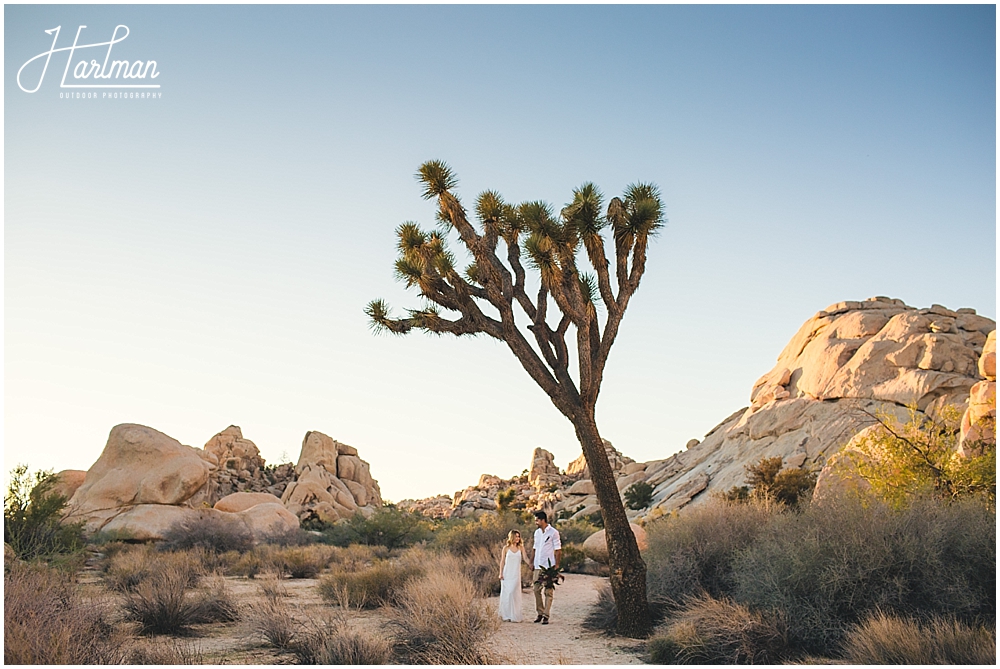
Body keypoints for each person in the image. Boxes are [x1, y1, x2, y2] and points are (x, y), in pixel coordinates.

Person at [530, 510, 561, 624]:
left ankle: (546, 615)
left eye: (537, 520)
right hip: (538, 565)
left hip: (548, 566)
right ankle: (540, 612)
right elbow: (535, 548)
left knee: (548, 591)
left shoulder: (553, 532)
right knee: (536, 589)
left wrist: (556, 566)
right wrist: (531, 561)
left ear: (543, 520)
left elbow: (558, 550)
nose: (536, 522)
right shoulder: (537, 533)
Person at [498, 529, 530, 622]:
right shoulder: (506, 548)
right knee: (507, 594)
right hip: (507, 573)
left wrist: (531, 565)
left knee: (513, 593)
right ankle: (506, 615)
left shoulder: (521, 548)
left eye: (519, 536)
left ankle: (514, 615)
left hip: (516, 574)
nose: (518, 538)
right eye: (516, 536)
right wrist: (500, 573)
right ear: (511, 537)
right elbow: (502, 561)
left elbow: (526, 558)